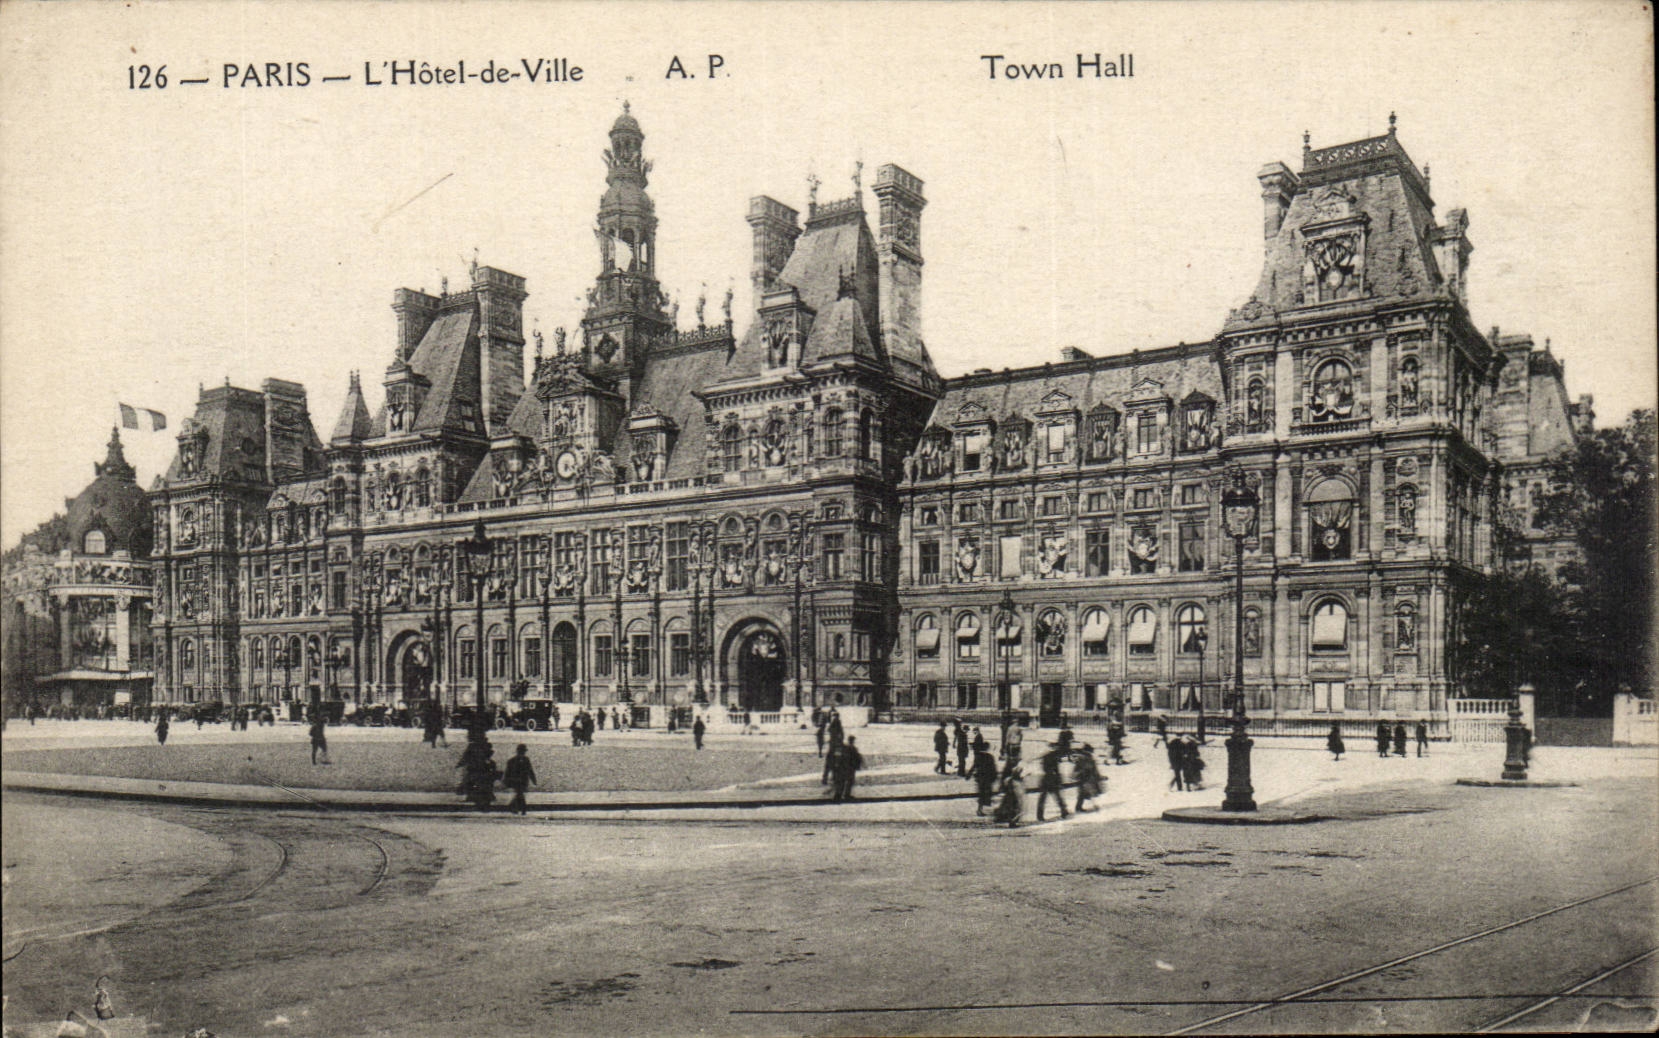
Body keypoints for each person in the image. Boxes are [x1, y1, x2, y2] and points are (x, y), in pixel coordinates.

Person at [1034, 734, 1072, 821]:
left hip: (1046, 777)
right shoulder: (1054, 755)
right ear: (1054, 745)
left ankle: (1040, 815)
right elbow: (1056, 768)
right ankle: (1064, 811)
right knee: (1057, 796)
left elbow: (1043, 767)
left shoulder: (1047, 755)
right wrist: (1058, 778)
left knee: (1043, 797)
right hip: (1053, 778)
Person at [502, 744, 537, 816]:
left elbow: (530, 770)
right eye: (522, 751)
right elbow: (508, 772)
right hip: (516, 781)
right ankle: (522, 809)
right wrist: (506, 781)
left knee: (519, 794)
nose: (522, 753)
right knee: (520, 794)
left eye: (523, 752)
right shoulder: (512, 761)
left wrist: (533, 780)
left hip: (523, 781)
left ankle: (513, 807)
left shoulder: (526, 760)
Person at [967, 744, 1000, 816]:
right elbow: (993, 767)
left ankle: (980, 809)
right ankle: (984, 810)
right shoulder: (990, 757)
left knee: (981, 794)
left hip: (980, 778)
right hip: (988, 778)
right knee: (987, 794)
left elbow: (974, 766)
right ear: (987, 748)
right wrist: (995, 776)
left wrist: (969, 775)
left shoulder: (978, 756)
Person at [830, 735, 863, 802]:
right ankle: (844, 795)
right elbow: (855, 758)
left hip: (846, 767)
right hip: (849, 767)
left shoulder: (846, 748)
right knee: (848, 782)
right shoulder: (851, 748)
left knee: (844, 782)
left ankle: (840, 795)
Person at [821, 710, 844, 785]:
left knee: (829, 764)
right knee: (835, 763)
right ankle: (833, 778)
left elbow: (829, 730)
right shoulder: (837, 723)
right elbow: (841, 734)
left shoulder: (834, 723)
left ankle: (826, 778)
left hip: (833, 746)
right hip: (835, 746)